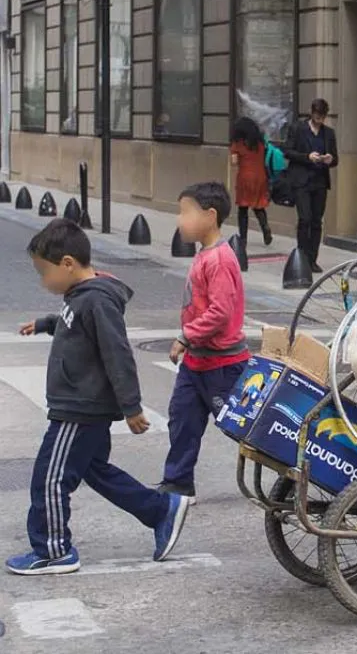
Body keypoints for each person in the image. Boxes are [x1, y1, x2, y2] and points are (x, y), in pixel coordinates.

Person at [5, 220, 190, 575]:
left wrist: (132, 407)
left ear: (68, 263)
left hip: (79, 408)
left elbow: (117, 354)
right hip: (80, 404)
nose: (43, 282)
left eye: (44, 272)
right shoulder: (81, 297)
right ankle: (159, 510)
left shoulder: (97, 300)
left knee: (50, 477)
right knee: (96, 470)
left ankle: (54, 549)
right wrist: (45, 323)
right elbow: (73, 323)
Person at [159, 182, 250, 503]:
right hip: (197, 361)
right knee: (182, 419)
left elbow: (221, 313)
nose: (179, 220)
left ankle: (290, 473)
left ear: (210, 216)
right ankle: (178, 482)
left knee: (244, 426)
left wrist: (186, 336)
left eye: (185, 212)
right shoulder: (206, 255)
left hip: (223, 365)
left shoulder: (221, 260)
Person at [283, 99, 339, 273]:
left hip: (320, 181)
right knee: (305, 218)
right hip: (301, 181)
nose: (319, 119)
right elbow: (288, 151)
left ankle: (312, 258)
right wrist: (307, 157)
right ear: (312, 113)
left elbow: (335, 159)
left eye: (322, 116)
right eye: (317, 115)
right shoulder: (298, 129)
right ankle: (302, 256)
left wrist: (329, 159)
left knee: (316, 221)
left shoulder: (328, 133)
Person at [229, 116, 273, 250]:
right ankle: (265, 228)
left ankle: (243, 238)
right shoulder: (260, 143)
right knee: (258, 205)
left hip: (245, 177)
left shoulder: (238, 144)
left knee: (243, 209)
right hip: (260, 177)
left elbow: (234, 162)